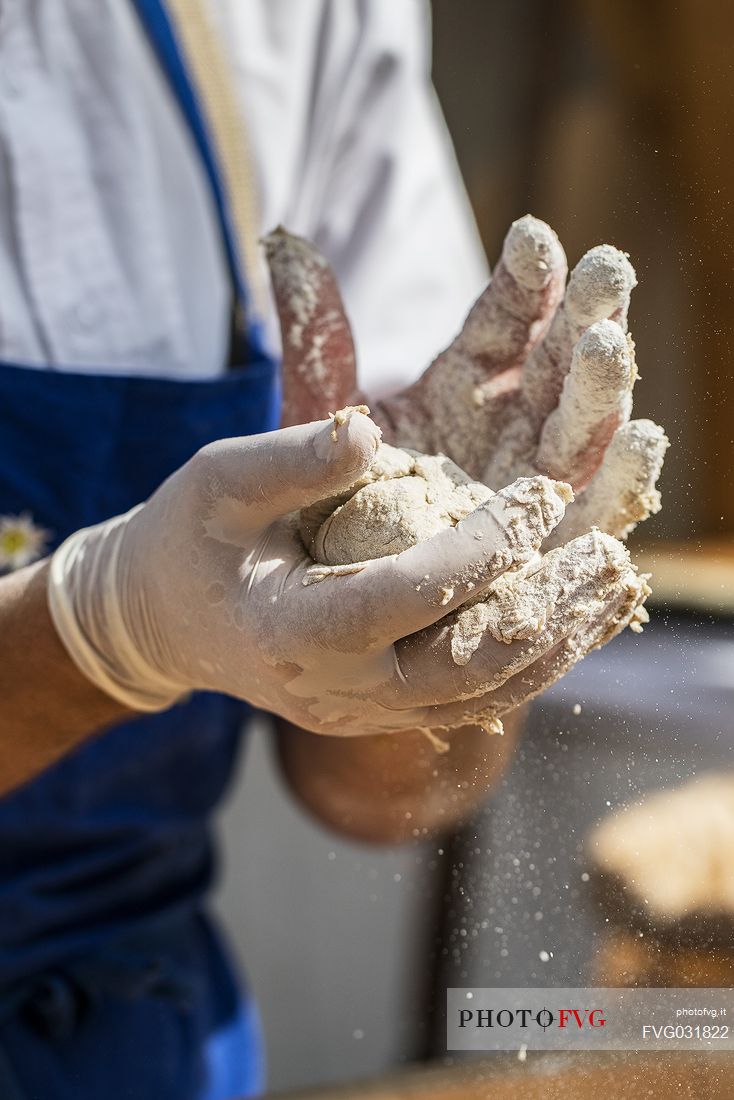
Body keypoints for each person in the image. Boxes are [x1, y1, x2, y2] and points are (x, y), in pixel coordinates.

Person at [0, 1, 665, 1097]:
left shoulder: (299, 18)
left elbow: (372, 796)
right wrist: (102, 626)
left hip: (127, 1035)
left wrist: (430, 657)